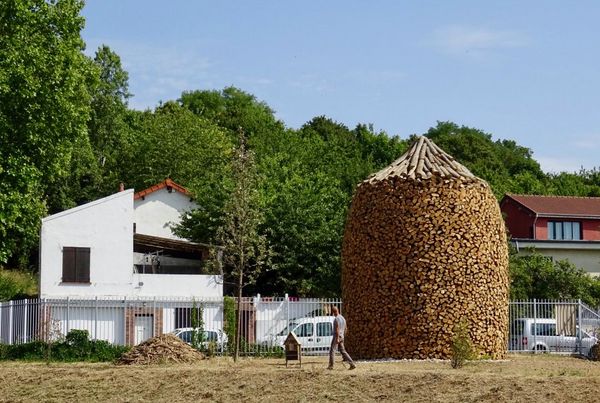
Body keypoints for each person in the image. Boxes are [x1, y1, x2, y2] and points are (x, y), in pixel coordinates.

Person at [328, 305, 356, 370]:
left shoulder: (336, 319)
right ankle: (352, 364)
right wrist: (343, 336)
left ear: (333, 312)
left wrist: (337, 338)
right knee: (343, 351)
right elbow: (346, 328)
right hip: (342, 336)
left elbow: (337, 330)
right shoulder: (343, 318)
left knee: (332, 350)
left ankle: (331, 366)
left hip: (337, 336)